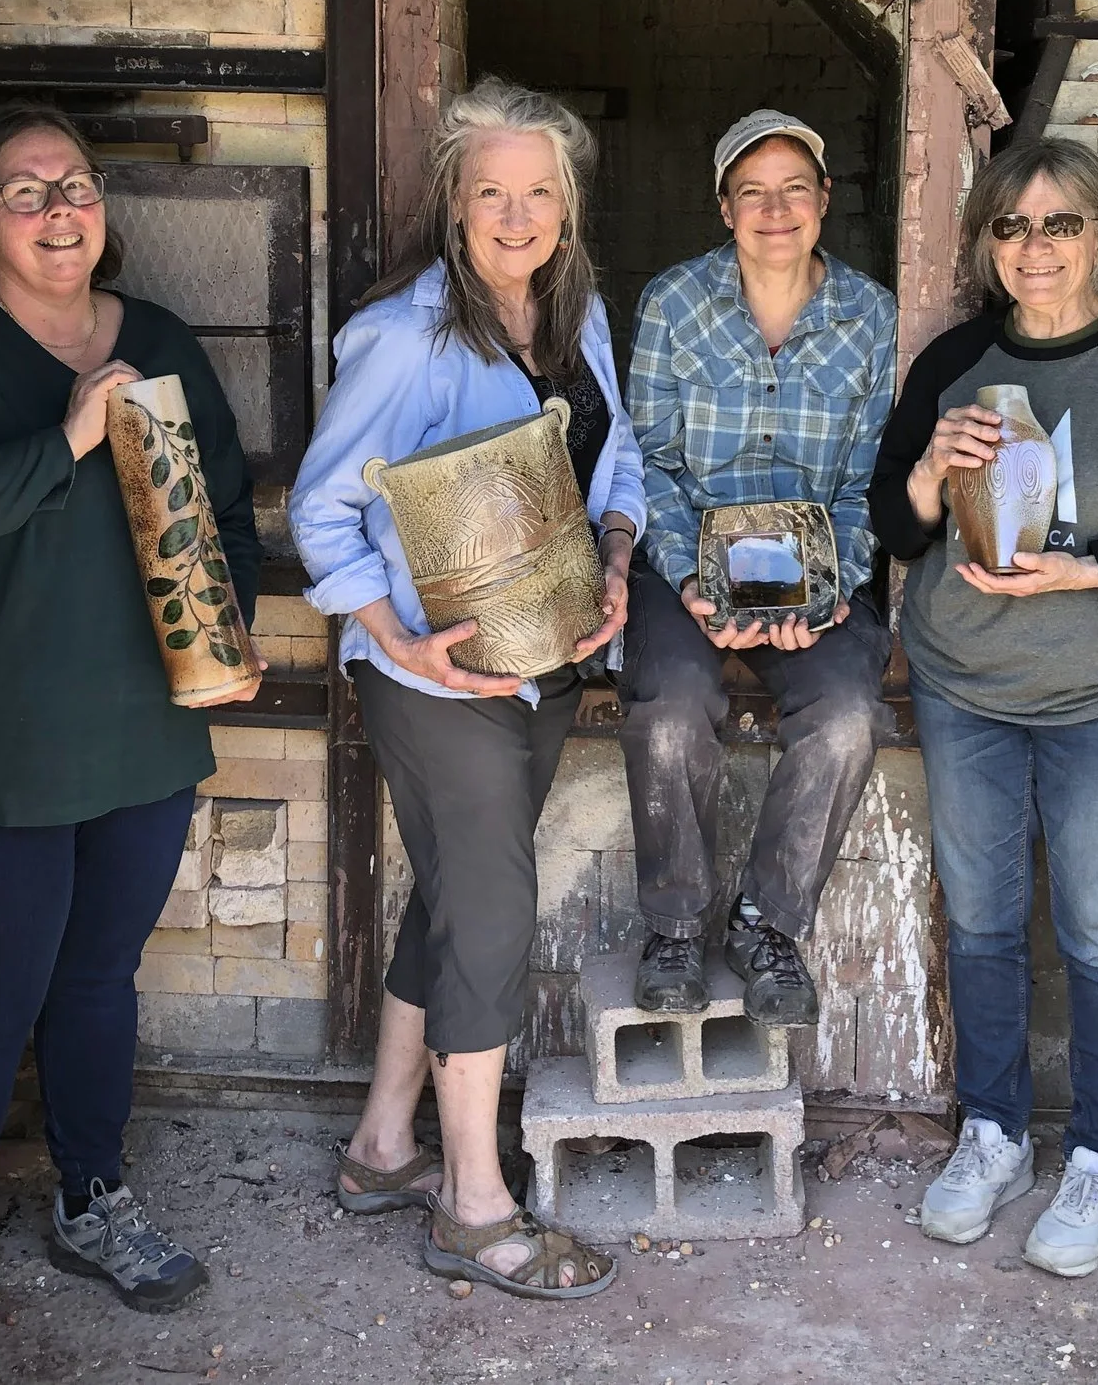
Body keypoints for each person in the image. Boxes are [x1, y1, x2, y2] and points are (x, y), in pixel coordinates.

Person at [0, 105, 264, 1385]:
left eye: (74, 184)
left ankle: (93, 1200)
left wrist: (221, 635)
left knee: (95, 985)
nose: (57, 208)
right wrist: (66, 439)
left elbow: (222, 515)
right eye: (23, 193)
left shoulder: (164, 343)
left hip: (135, 734)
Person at [291, 77, 643, 1302]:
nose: (516, 212)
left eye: (538, 190)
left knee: (447, 896)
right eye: (490, 189)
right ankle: (474, 1204)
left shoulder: (576, 313)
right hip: (437, 676)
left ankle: (383, 1148)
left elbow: (619, 458)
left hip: (545, 662)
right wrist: (394, 636)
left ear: (567, 205)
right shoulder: (408, 335)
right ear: (452, 199)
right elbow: (321, 507)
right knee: (490, 909)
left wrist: (615, 553)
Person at [872, 137, 1098, 1278]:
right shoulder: (951, 361)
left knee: (1096, 928)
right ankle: (991, 1136)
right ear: (989, 244)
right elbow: (893, 526)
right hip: (966, 685)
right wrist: (933, 472)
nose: (1035, 249)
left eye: (1060, 224)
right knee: (981, 920)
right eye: (1012, 228)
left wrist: (1082, 573)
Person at [618, 110, 899, 1024]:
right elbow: (648, 459)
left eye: (794, 190)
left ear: (824, 201)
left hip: (815, 572)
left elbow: (866, 478)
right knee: (665, 704)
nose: (774, 209)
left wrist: (827, 590)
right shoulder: (673, 302)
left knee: (850, 713)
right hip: (683, 562)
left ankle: (766, 922)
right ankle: (673, 922)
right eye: (752, 192)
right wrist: (691, 581)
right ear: (724, 207)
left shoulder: (870, 316)